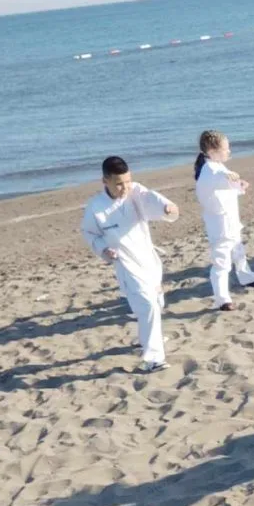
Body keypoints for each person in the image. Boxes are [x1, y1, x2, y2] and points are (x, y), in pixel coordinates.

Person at [81, 156, 179, 373]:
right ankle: (153, 359)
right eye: (118, 184)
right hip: (126, 264)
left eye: (127, 181)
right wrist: (103, 249)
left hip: (148, 259)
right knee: (147, 305)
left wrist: (166, 207)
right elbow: (89, 233)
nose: (124, 187)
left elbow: (150, 198)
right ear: (105, 181)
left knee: (156, 303)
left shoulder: (135, 191)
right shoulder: (96, 207)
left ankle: (147, 337)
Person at [194, 131, 254, 311]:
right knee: (221, 262)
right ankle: (222, 299)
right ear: (212, 151)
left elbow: (226, 186)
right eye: (226, 149)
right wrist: (231, 177)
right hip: (220, 225)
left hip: (231, 220)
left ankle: (246, 277)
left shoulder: (218, 166)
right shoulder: (210, 170)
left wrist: (239, 185)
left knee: (238, 251)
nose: (229, 152)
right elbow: (218, 179)